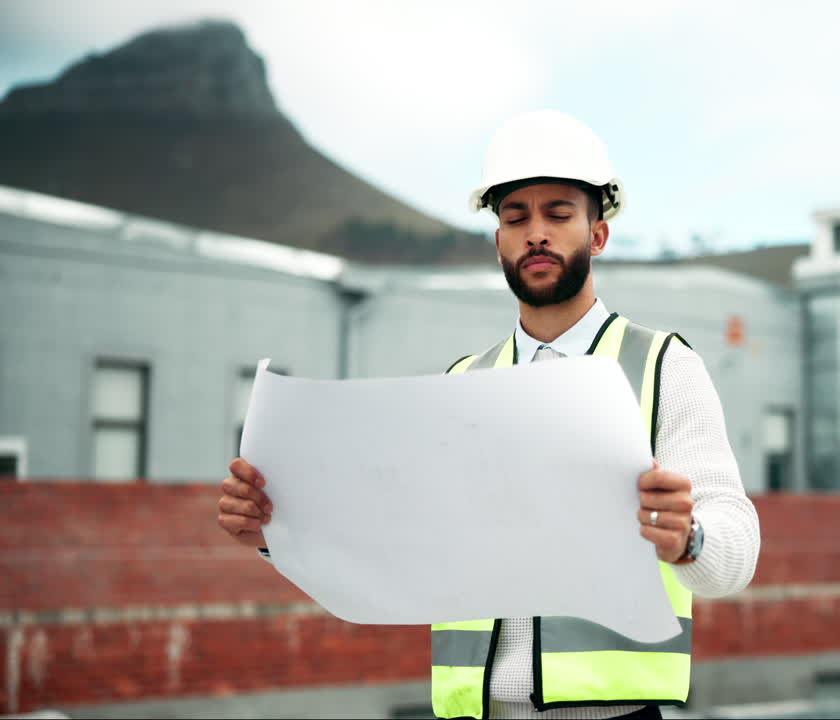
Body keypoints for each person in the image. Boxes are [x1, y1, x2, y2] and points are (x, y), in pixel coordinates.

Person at [217, 109, 761, 720]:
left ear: (598, 234)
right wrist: (275, 536)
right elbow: (398, 545)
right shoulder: (462, 383)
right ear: (497, 240)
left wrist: (690, 539)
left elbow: (736, 550)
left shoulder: (664, 368)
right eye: (515, 217)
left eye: (559, 214)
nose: (536, 233)